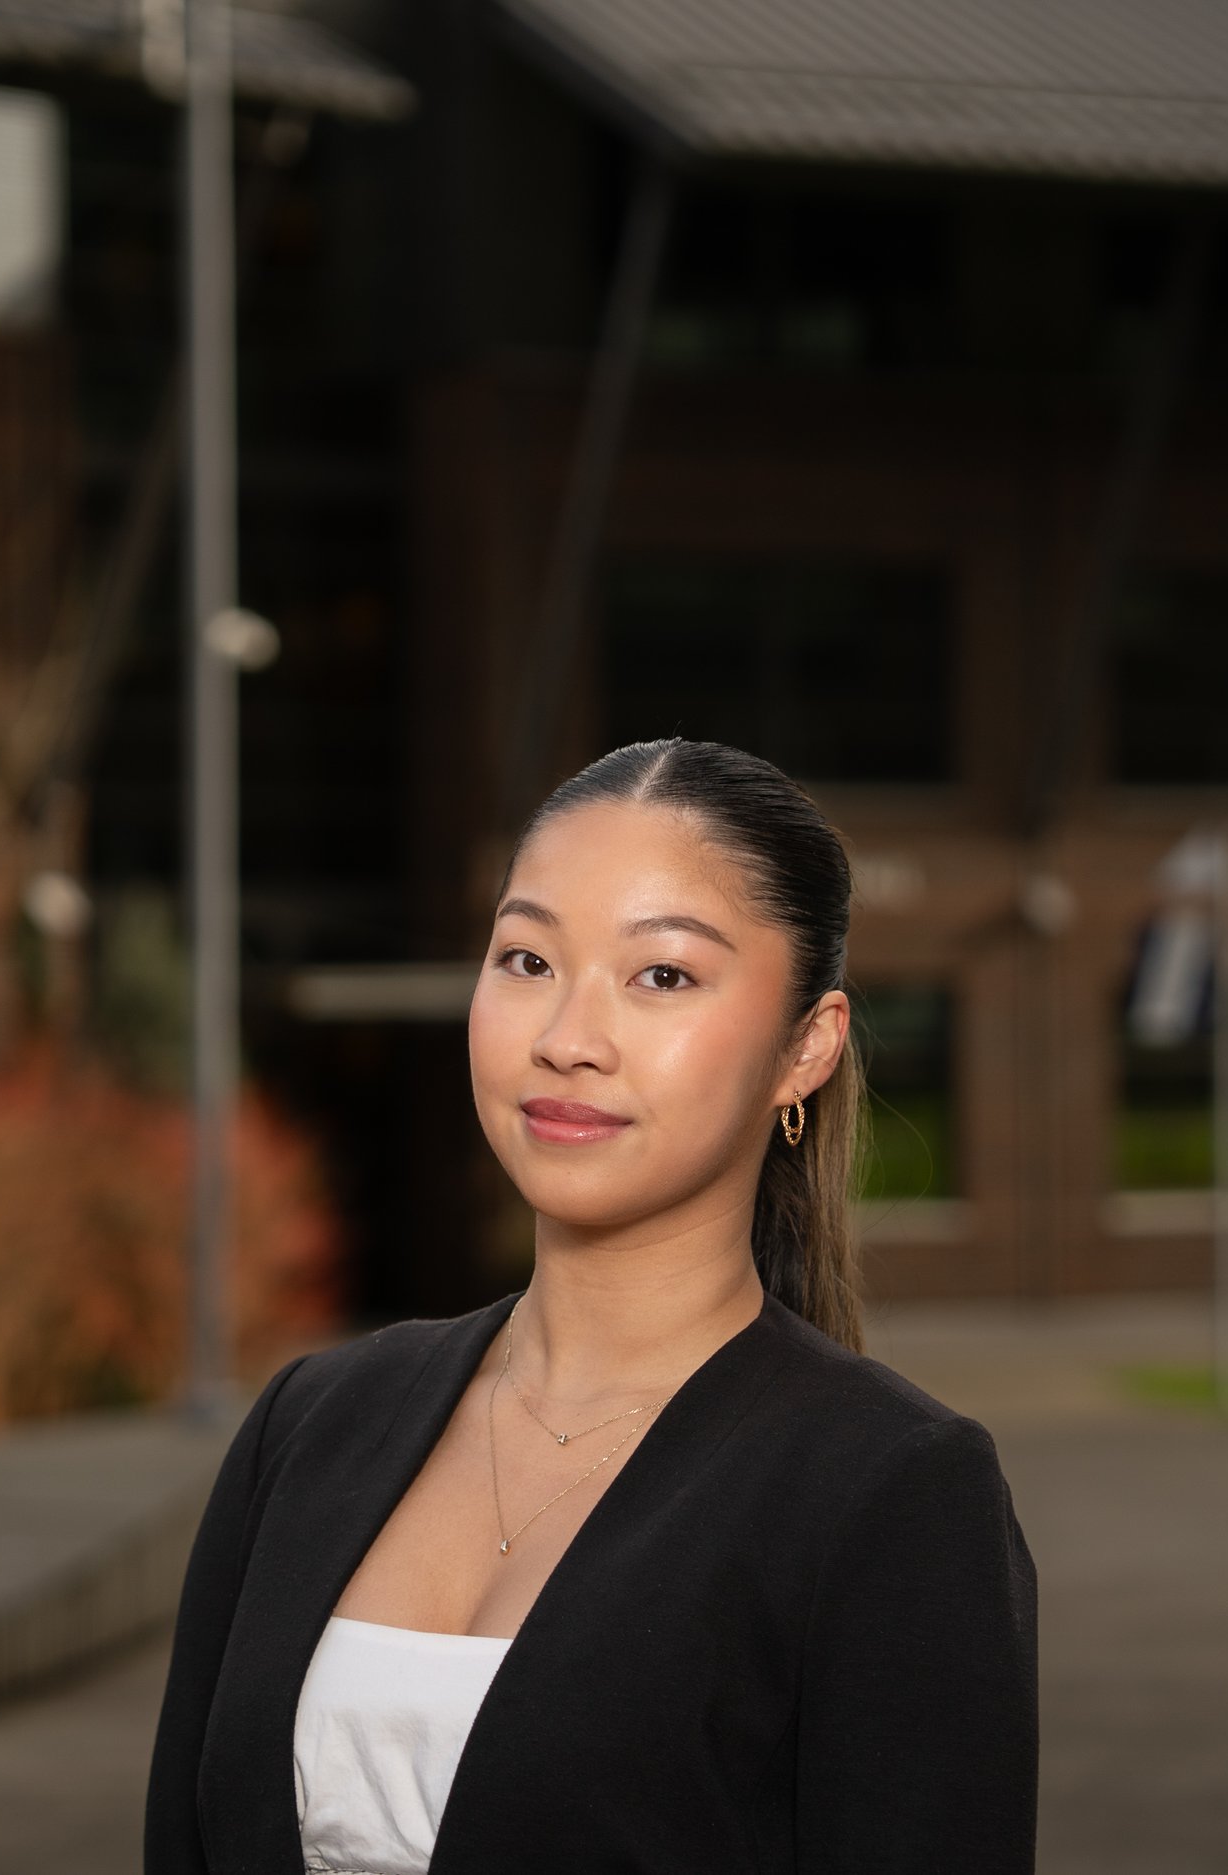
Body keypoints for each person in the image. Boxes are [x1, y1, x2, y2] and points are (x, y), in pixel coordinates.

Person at [143, 739, 1038, 1875]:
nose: (566, 1039)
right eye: (526, 960)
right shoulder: (311, 1422)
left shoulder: (892, 1490)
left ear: (805, 1048)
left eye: (661, 975)